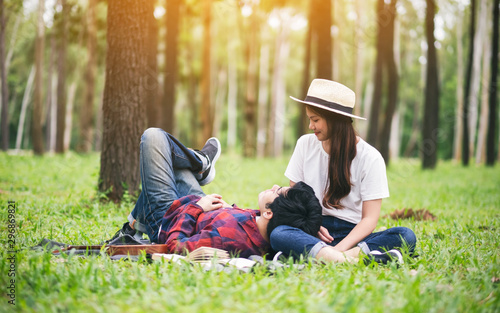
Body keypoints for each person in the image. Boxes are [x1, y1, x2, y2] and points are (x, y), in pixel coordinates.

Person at [109, 128, 326, 259]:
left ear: (270, 213)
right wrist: (305, 228)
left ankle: (202, 163)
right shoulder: (264, 222)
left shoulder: (228, 239)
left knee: (154, 138)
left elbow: (175, 246)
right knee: (167, 164)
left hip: (168, 218)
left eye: (278, 192)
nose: (273, 186)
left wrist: (198, 208)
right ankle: (130, 227)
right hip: (194, 202)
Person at [269, 79, 417, 264]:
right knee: (278, 234)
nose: (310, 126)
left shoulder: (370, 157)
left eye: (315, 120)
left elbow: (370, 219)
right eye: (309, 119)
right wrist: (312, 227)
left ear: (334, 119)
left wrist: (337, 250)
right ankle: (353, 260)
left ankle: (325, 257)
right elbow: (297, 201)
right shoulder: (304, 145)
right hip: (313, 231)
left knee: (405, 236)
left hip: (352, 236)